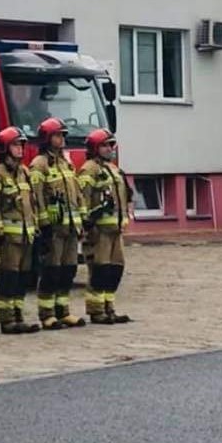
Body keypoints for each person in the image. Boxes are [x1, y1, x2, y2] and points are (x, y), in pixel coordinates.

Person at [30, 117, 87, 330]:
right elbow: (36, 196)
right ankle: (47, 314)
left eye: (62, 135)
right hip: (52, 228)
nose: (61, 139)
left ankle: (63, 311)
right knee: (51, 270)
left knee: (68, 270)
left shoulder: (66, 162)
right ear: (47, 138)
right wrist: (43, 224)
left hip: (70, 226)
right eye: (57, 135)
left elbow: (77, 193)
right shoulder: (39, 165)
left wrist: (82, 218)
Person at [0, 126, 42, 334]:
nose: (20, 149)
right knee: (8, 277)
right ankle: (6, 319)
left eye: (21, 145)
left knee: (22, 278)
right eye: (15, 145)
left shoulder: (24, 172)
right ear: (5, 148)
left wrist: (35, 226)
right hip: (8, 238)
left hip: (26, 235)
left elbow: (31, 202)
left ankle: (18, 316)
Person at [78, 128, 132, 324]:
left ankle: (110, 308)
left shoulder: (113, 169)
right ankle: (96, 310)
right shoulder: (88, 170)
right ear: (94, 148)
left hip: (116, 230)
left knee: (115, 269)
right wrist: (86, 224)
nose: (110, 148)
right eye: (104, 145)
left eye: (111, 145)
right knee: (99, 270)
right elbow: (82, 200)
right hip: (98, 231)